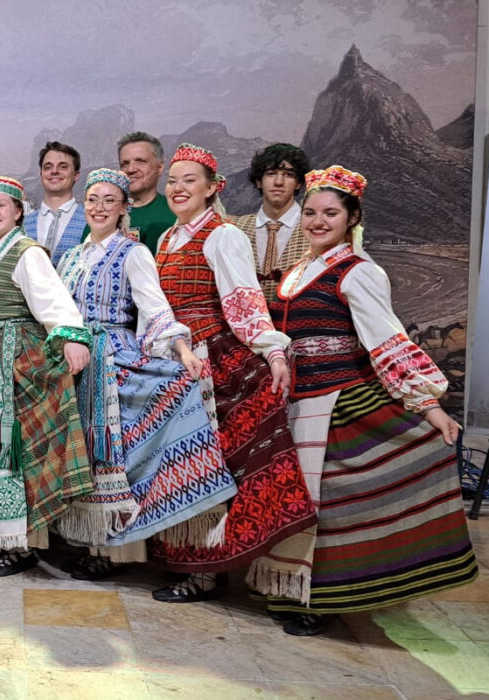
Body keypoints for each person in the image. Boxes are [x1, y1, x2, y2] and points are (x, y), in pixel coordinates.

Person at [266, 165, 476, 635]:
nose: (318, 222)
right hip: (296, 402)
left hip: (337, 398)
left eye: (330, 213)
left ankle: (323, 600)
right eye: (311, 213)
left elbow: (386, 339)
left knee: (332, 505)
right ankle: (294, 592)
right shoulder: (299, 271)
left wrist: (428, 406)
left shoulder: (358, 272)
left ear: (352, 218)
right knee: (300, 499)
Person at [149, 144, 316, 603]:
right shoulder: (168, 239)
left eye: (189, 181)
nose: (178, 188)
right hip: (175, 360)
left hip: (210, 359)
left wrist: (272, 350)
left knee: (210, 463)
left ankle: (206, 573)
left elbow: (244, 300)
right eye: (173, 181)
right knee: (183, 467)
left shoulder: (223, 235)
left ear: (211, 188)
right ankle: (186, 563)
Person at [54, 168, 235, 580]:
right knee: (87, 453)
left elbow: (154, 308)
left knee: (114, 452)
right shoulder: (71, 257)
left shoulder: (133, 253)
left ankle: (120, 550)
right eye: (93, 200)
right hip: (76, 361)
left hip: (113, 357)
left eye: (109, 201)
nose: (99, 208)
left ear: (124, 209)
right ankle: (96, 547)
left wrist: (182, 350)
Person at [0, 175, 93, 577]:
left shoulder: (26, 253)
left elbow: (53, 301)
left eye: (1, 205)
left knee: (14, 451)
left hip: (13, 361)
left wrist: (71, 337)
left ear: (18, 212)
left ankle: (22, 544)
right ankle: (2, 537)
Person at [231, 144, 312, 301]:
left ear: (298, 183)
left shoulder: (314, 228)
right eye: (271, 174)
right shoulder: (236, 229)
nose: (279, 182)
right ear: (259, 181)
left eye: (288, 175)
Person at [23, 141, 86, 266]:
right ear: (41, 174)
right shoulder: (23, 222)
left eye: (63, 167)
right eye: (48, 167)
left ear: (76, 175)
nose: (54, 171)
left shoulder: (89, 219)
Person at [117, 132, 174, 254]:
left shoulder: (177, 212)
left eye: (141, 161)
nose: (131, 169)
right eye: (125, 164)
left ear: (160, 167)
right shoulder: (104, 214)